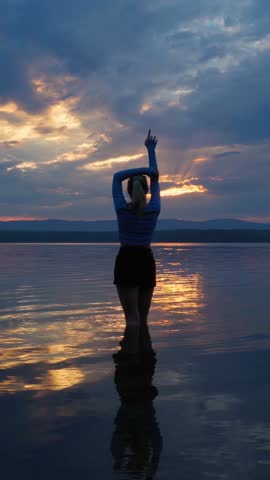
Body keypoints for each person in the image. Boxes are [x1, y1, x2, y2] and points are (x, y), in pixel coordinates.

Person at [112, 129, 161, 357]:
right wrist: (150, 151)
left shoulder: (122, 209)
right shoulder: (154, 209)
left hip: (126, 260)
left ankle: (130, 365)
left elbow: (116, 177)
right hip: (145, 260)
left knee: (131, 319)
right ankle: (144, 365)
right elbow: (155, 176)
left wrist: (143, 169)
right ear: (148, 190)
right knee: (143, 319)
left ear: (129, 190)